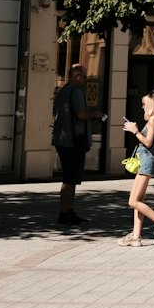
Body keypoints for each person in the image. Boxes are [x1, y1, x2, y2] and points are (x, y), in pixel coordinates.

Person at [52, 63, 105, 227]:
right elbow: (81, 115)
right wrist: (95, 114)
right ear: (76, 75)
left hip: (63, 139)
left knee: (71, 178)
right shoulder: (75, 92)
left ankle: (68, 211)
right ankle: (64, 213)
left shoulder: (63, 91)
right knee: (70, 178)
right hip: (72, 141)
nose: (85, 79)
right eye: (83, 76)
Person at [118, 90, 154, 247]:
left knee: (133, 201)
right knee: (138, 200)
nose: (142, 107)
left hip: (147, 161)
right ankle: (136, 236)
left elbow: (148, 142)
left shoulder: (153, 120)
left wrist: (135, 131)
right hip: (146, 161)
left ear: (150, 104)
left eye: (144, 104)